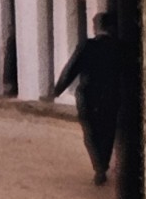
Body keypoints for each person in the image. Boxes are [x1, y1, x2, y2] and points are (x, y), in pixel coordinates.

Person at [53, 12, 124, 186]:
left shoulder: (88, 46)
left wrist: (57, 89)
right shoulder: (120, 47)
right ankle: (102, 164)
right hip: (110, 96)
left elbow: (71, 69)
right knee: (107, 131)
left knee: (90, 133)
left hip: (88, 96)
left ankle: (99, 166)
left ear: (97, 27)